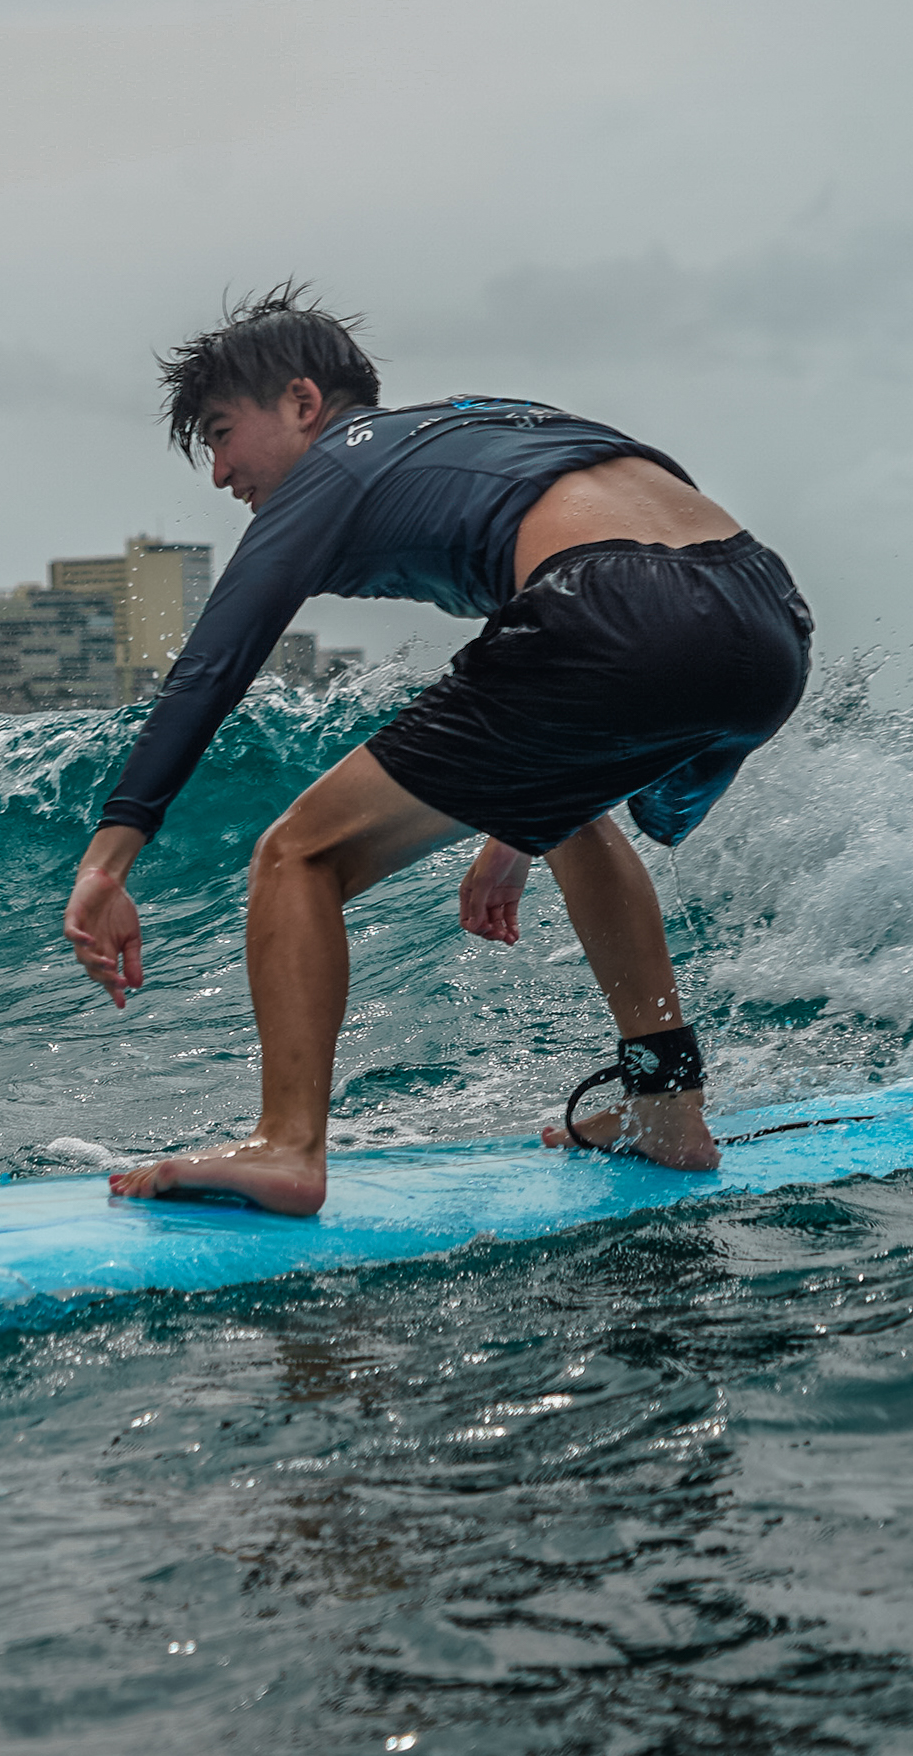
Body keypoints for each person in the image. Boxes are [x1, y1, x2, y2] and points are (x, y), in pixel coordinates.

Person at [61, 286, 811, 1213]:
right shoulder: (490, 424)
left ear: (303, 404)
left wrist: (109, 859)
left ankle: (286, 1149)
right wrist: (517, 826)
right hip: (768, 619)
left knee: (298, 855)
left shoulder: (331, 467)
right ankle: (668, 1107)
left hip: (619, 610)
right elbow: (643, 592)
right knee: (576, 816)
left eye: (221, 433)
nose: (219, 473)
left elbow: (211, 668)